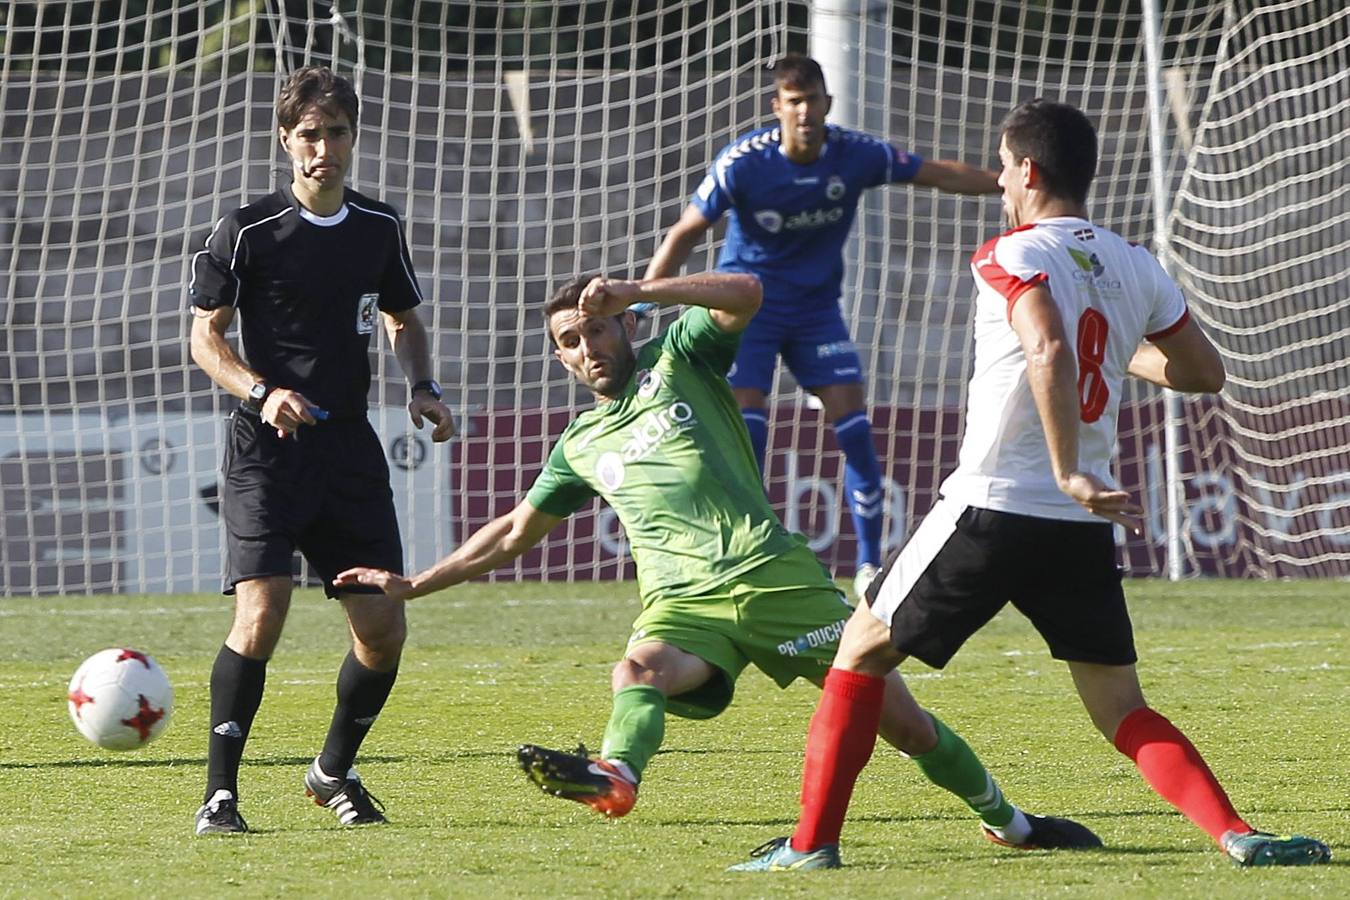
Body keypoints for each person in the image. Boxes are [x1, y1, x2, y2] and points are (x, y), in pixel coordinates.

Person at [730, 98, 1332, 871]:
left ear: (1030, 171)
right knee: (1122, 707)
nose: (1000, 180)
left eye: (1005, 166)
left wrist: (1068, 466)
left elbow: (1047, 345)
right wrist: (1112, 362)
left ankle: (810, 846)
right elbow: (1200, 371)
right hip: (1077, 526)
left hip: (995, 503)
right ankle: (1237, 834)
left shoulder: (1008, 254)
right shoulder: (1135, 262)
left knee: (858, 652)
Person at [336, 271, 1100, 859]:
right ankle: (616, 777)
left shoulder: (682, 357)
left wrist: (642, 289)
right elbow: (509, 536)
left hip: (776, 581)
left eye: (598, 330)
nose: (587, 348)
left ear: (625, 326)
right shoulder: (579, 444)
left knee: (903, 724)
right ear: (558, 355)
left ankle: (1011, 824)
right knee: (635, 672)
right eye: (570, 340)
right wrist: (414, 584)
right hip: (685, 609)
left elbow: (747, 294)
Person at [187, 65, 454, 835]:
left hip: (348, 453)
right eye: (310, 134)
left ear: (352, 140)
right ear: (286, 140)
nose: (323, 148)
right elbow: (206, 337)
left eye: (337, 133)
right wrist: (261, 391)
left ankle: (331, 770)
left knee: (383, 629)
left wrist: (424, 388)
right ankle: (219, 796)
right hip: (266, 450)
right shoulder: (245, 230)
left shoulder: (378, 226)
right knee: (262, 612)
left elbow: (402, 319)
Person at [641, 53, 1000, 599]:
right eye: (793, 102)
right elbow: (687, 231)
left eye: (812, 100)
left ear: (827, 104)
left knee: (854, 425)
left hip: (815, 311)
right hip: (749, 310)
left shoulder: (854, 154)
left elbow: (934, 172)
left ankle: (867, 566)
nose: (804, 112)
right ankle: (748, 550)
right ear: (776, 108)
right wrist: (644, 299)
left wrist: (1006, 185)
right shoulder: (744, 162)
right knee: (748, 429)